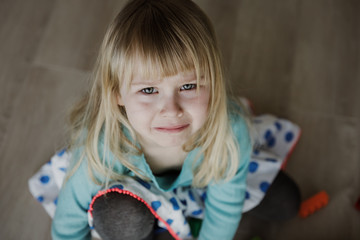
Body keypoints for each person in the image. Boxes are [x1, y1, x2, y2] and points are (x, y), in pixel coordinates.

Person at [49, 0, 301, 239]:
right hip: (133, 200)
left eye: (189, 86)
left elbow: (225, 208)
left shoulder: (229, 131)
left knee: (287, 202)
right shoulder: (104, 142)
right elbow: (69, 221)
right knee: (119, 217)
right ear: (117, 93)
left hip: (202, 186)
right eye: (148, 90)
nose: (171, 110)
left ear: (213, 83)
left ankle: (189, 221)